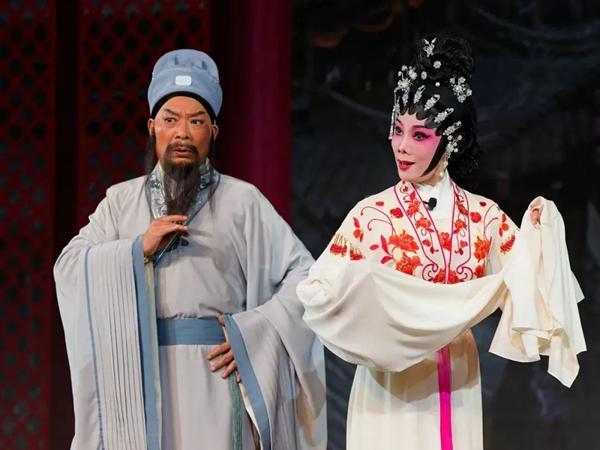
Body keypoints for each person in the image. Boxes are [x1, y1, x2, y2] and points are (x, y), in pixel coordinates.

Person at [296, 35, 585, 450]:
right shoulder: (371, 215)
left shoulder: (482, 216)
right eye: (398, 130)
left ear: (450, 141)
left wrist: (538, 236)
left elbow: (527, 289)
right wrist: (367, 300)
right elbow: (317, 290)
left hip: (459, 374)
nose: (402, 146)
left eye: (419, 135)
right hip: (389, 379)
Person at [54, 49, 327, 450]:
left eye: (196, 121)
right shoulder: (120, 202)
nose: (182, 133)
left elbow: (306, 277)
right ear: (152, 128)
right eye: (170, 120)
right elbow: (69, 266)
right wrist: (136, 250)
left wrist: (254, 334)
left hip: (216, 377)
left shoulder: (243, 201)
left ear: (213, 132)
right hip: (138, 379)